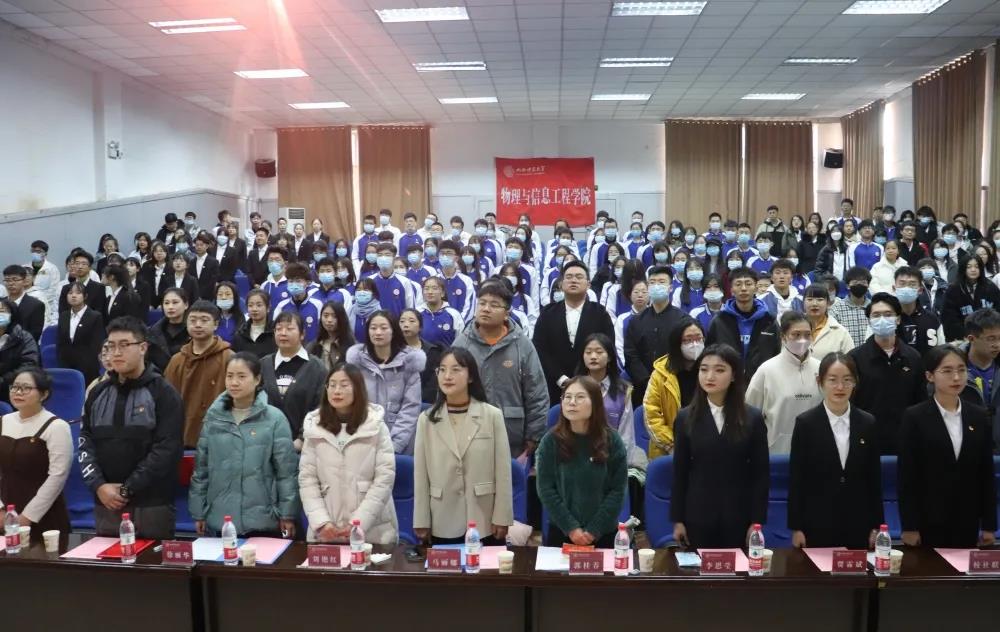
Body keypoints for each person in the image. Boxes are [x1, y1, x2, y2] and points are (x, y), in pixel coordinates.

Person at [78, 317, 183, 539]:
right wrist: (99, 486)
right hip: (106, 503)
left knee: (151, 561)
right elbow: (85, 442)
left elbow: (167, 450)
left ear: (143, 348)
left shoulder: (164, 393)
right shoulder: (97, 392)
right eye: (111, 346)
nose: (116, 353)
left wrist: (128, 488)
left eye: (124, 345)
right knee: (108, 560)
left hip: (152, 504)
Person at [188, 352, 299, 537]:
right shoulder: (214, 418)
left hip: (264, 519)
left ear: (257, 379)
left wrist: (287, 514)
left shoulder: (274, 419)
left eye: (241, 376)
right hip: (221, 518)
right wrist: (198, 512)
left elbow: (286, 473)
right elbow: (201, 470)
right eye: (229, 376)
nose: (234, 382)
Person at [671, 344, 769, 549]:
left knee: (736, 567)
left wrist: (756, 521)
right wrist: (678, 519)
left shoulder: (752, 418)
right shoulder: (685, 417)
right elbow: (680, 472)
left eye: (719, 370)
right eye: (704, 369)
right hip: (698, 514)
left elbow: (761, 474)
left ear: (734, 375)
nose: (710, 376)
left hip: (738, 514)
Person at [899, 346, 997, 548]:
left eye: (961, 370)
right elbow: (907, 476)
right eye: (947, 371)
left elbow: (986, 473)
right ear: (930, 376)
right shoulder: (915, 417)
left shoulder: (979, 416)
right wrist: (909, 526)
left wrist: (989, 525)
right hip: (928, 518)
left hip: (967, 517)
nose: (956, 377)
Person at [413, 348, 513, 545]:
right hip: (442, 516)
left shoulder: (492, 416)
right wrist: (421, 519)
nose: (447, 376)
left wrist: (502, 516)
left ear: (471, 376)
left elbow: (503, 472)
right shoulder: (427, 419)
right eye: (442, 370)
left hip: (484, 516)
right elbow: (421, 474)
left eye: (456, 369)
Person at [788, 353, 883, 549]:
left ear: (855, 382)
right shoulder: (806, 423)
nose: (840, 387)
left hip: (858, 522)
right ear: (820, 381)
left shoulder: (868, 423)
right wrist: (796, 527)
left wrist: (876, 526)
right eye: (832, 380)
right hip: (817, 522)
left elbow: (874, 478)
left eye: (847, 380)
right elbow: (797, 478)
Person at [299, 362, 398, 544]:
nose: (337, 391)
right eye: (332, 385)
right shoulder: (314, 427)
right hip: (327, 531)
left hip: (372, 531)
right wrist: (321, 522)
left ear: (358, 389)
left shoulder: (376, 425)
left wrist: (359, 523)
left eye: (344, 385)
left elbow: (384, 478)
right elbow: (307, 480)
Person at [453, 280, 548, 462]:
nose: (486, 309)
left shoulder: (522, 345)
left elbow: (537, 393)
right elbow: (447, 389)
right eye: (482, 303)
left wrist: (533, 436)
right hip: (467, 434)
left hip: (511, 436)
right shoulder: (462, 344)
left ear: (506, 313)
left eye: (494, 305)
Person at [536, 376, 627, 548]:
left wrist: (594, 530)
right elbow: (545, 489)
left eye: (579, 397)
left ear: (595, 402)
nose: (572, 402)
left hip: (603, 534)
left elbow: (618, 490)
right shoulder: (550, 441)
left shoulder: (612, 441)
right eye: (567, 397)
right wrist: (571, 528)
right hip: (562, 533)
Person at [850, 293, 926, 455]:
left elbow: (921, 401)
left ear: (898, 319)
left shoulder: (913, 357)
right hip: (867, 439)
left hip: (906, 438)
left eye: (888, 314)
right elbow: (851, 403)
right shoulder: (855, 358)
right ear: (869, 321)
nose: (882, 319)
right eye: (876, 315)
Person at [0, 369, 73, 539]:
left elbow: (58, 476)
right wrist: (1, 510)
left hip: (44, 514)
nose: (18, 392)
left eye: (26, 388)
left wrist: (28, 517)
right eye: (15, 387)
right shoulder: (3, 421)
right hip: (4, 512)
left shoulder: (57, 426)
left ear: (44, 394)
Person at [533, 261, 615, 405]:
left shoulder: (600, 313)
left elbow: (608, 347)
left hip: (591, 385)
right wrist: (561, 378)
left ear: (588, 284)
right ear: (561, 284)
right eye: (569, 277)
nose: (574, 280)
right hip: (552, 386)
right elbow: (539, 349)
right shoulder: (547, 313)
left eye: (579, 277)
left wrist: (586, 379)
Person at [345, 311, 425, 454]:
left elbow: (410, 408)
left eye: (383, 328)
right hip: (362, 437)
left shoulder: (409, 363)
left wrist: (395, 444)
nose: (378, 332)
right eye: (373, 328)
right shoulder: (357, 362)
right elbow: (350, 404)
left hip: (400, 441)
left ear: (393, 331)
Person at [746, 311, 822, 455]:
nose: (802, 340)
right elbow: (750, 414)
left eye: (807, 335)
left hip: (815, 450)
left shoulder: (820, 369)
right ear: (783, 336)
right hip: (777, 452)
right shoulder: (766, 370)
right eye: (796, 334)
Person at [164, 301, 233, 449]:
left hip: (220, 437)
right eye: (193, 320)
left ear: (216, 324)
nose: (198, 325)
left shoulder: (229, 358)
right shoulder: (177, 360)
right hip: (182, 434)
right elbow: (166, 400)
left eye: (204, 320)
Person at [577, 334, 646, 477]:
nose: (593, 356)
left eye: (599, 352)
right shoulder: (574, 388)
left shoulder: (623, 390)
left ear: (609, 357)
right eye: (588, 352)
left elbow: (626, 436)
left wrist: (617, 465)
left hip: (612, 461)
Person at [624, 265, 685, 406]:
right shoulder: (636, 321)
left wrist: (667, 379)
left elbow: (684, 354)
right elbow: (631, 355)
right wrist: (648, 381)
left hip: (674, 386)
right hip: (643, 389)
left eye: (661, 282)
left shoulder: (683, 320)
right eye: (652, 282)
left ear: (670, 288)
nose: (656, 286)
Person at [261, 311, 326, 444]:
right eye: (278, 329)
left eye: (290, 329)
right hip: (265, 441)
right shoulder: (263, 364)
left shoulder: (317, 367)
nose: (283, 333)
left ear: (302, 334)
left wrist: (302, 438)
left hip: (304, 444)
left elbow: (320, 407)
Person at [644, 317, 704, 460]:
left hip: (706, 447)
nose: (694, 344)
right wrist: (673, 446)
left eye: (698, 339)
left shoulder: (711, 369)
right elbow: (651, 415)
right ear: (677, 343)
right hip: (669, 450)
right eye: (688, 340)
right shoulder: (661, 374)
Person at [706, 267, 779, 379]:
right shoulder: (720, 320)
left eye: (748, 284)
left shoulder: (769, 321)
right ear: (731, 290)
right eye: (738, 284)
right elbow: (709, 354)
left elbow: (776, 354)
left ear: (756, 288)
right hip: (728, 380)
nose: (743, 288)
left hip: (761, 380)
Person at [960, 309, 1000, 448]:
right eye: (991, 338)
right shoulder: (952, 368)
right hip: (967, 448)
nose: (997, 344)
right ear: (971, 339)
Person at [56, 282, 107, 385]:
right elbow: (60, 342)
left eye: (78, 293)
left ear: (85, 296)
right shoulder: (64, 316)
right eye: (70, 293)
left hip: (87, 367)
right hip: (66, 365)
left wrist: (87, 364)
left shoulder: (95, 316)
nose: (73, 296)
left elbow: (96, 345)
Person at [941, 256, 1000, 342]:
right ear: (963, 269)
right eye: (969, 267)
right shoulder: (953, 290)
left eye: (976, 266)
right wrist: (966, 336)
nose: (973, 270)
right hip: (962, 339)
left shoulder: (991, 287)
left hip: (989, 336)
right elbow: (949, 320)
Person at [894, 266, 944, 356]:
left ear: (920, 290)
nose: (907, 288)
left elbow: (941, 350)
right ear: (894, 288)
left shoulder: (932, 319)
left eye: (912, 284)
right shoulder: (888, 318)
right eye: (902, 284)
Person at [0, 299, 40, 405]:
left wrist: (3, 380)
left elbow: (29, 365)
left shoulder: (24, 338)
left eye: (2, 311)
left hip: (14, 390)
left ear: (12, 314)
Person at [399, 308, 442, 405]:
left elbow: (432, 386)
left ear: (420, 327)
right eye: (402, 321)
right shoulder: (392, 351)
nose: (406, 325)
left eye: (411, 321)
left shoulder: (432, 351)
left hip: (423, 403)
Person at [273, 263, 324, 342]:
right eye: (291, 281)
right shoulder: (281, 306)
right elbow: (276, 330)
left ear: (307, 282)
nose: (294, 284)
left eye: (298, 281)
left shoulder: (318, 305)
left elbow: (323, 330)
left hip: (312, 348)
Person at [802, 284, 854, 357]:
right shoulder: (792, 328)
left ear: (828, 304)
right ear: (803, 303)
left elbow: (850, 360)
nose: (814, 304)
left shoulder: (841, 332)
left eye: (820, 300)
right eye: (810, 299)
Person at [830, 266, 873, 351]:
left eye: (863, 282)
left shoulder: (874, 307)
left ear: (868, 285)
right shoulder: (836, 309)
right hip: (846, 354)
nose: (859, 285)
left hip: (870, 354)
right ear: (847, 286)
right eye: (855, 282)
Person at [306, 301, 355, 370]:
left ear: (342, 318)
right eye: (325, 316)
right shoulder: (314, 345)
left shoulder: (352, 347)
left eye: (334, 316)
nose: (329, 320)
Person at [3, 265, 46, 343]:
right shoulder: (1, 303)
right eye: (7, 280)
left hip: (24, 348)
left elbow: (34, 335)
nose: (11, 283)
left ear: (24, 280)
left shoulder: (36, 305)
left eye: (15, 279)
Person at [419, 276, 464, 347]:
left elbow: (461, 341)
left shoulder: (454, 314)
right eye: (426, 289)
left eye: (434, 288)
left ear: (442, 293)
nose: (430, 292)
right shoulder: (417, 313)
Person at [232, 288, 277, 358]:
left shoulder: (276, 331)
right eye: (250, 305)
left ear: (268, 308)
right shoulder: (240, 333)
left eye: (259, 305)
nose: (254, 309)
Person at [149, 287, 190, 359]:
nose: (170, 307)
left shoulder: (193, 331)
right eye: (166, 303)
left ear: (186, 305)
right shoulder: (153, 331)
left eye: (175, 302)